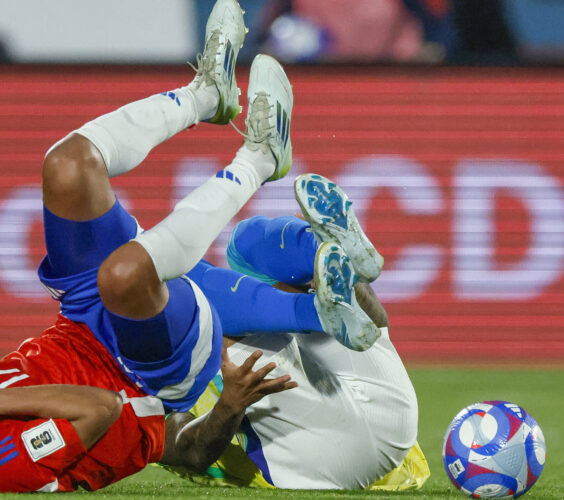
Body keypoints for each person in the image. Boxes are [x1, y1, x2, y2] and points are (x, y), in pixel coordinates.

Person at [0, 0, 380, 492]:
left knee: (66, 165)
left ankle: (206, 95)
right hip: (146, 375)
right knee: (123, 275)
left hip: (80, 318)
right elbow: (99, 408)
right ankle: (261, 158)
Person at [160, 173, 430, 491]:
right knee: (168, 277)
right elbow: (191, 452)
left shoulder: (123, 360)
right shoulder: (118, 397)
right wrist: (230, 404)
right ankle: (322, 253)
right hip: (358, 444)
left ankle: (320, 258)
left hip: (345, 444)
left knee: (239, 247)